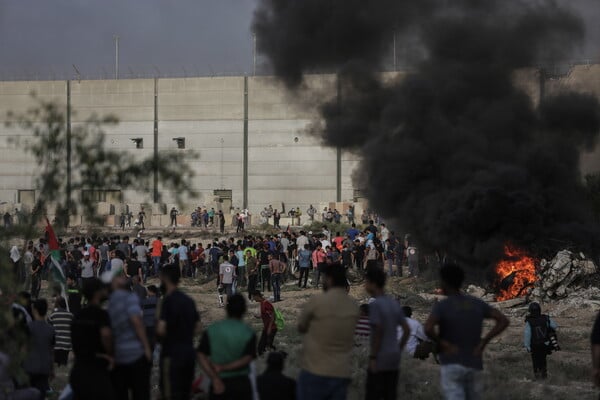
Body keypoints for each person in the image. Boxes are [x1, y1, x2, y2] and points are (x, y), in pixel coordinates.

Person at [424, 263, 509, 400]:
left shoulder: (443, 306)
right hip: (473, 363)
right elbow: (503, 320)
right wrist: (484, 342)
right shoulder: (476, 303)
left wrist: (443, 344)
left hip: (451, 363)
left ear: (445, 282)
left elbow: (428, 328)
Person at [296, 264, 359, 400]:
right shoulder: (353, 306)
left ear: (329, 279)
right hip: (341, 372)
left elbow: (301, 327)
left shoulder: (317, 301)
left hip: (315, 370)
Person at [197, 293, 257, 400]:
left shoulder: (212, 330)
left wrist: (214, 377)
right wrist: (225, 367)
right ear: (244, 310)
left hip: (218, 383)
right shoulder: (248, 332)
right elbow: (247, 358)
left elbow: (201, 354)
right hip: (241, 385)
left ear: (227, 309)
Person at [363, 266, 410, 400]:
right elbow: (406, 330)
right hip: (393, 357)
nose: (365, 286)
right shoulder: (393, 303)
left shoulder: (375, 305)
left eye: (366, 282)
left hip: (380, 358)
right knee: (390, 394)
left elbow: (378, 330)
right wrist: (398, 349)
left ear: (372, 283)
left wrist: (373, 357)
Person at [157, 266, 201, 400]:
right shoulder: (188, 300)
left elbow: (161, 329)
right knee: (185, 393)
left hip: (171, 355)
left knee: (170, 393)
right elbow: (198, 327)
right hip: (188, 353)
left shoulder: (167, 301)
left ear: (164, 278)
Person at [108, 273, 152, 400]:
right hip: (134, 353)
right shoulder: (130, 297)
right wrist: (146, 347)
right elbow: (137, 322)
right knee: (140, 392)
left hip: (118, 355)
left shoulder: (111, 300)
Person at [70, 278, 116, 400]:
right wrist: (111, 355)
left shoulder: (78, 316)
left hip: (79, 369)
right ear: (97, 293)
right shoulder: (101, 315)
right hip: (96, 370)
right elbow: (106, 335)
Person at [23, 299, 55, 399]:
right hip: (44, 369)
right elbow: (52, 351)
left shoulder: (28, 327)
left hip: (29, 368)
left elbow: (23, 349)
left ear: (34, 310)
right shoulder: (51, 329)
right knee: (40, 395)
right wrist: (52, 369)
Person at [524, 302, 558, 380]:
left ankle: (537, 376)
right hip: (545, 344)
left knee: (535, 361)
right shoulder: (545, 318)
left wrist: (527, 346)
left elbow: (527, 334)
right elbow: (555, 326)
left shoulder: (529, 321)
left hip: (534, 345)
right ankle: (544, 375)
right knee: (543, 360)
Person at [48, 297, 73, 367]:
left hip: (56, 344)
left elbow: (49, 329)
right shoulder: (70, 315)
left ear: (57, 304)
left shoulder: (53, 315)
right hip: (66, 345)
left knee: (56, 366)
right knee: (63, 365)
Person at [252, 291, 277, 356]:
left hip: (271, 328)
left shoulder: (266, 303)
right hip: (266, 328)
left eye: (254, 297)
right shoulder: (262, 303)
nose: (254, 299)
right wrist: (258, 317)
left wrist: (269, 328)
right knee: (261, 348)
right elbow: (266, 314)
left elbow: (272, 316)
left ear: (257, 296)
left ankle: (276, 355)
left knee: (268, 345)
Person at [141, 285, 159, 351]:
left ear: (151, 291)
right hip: (156, 325)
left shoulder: (144, 301)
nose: (147, 292)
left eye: (147, 291)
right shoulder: (159, 301)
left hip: (147, 325)